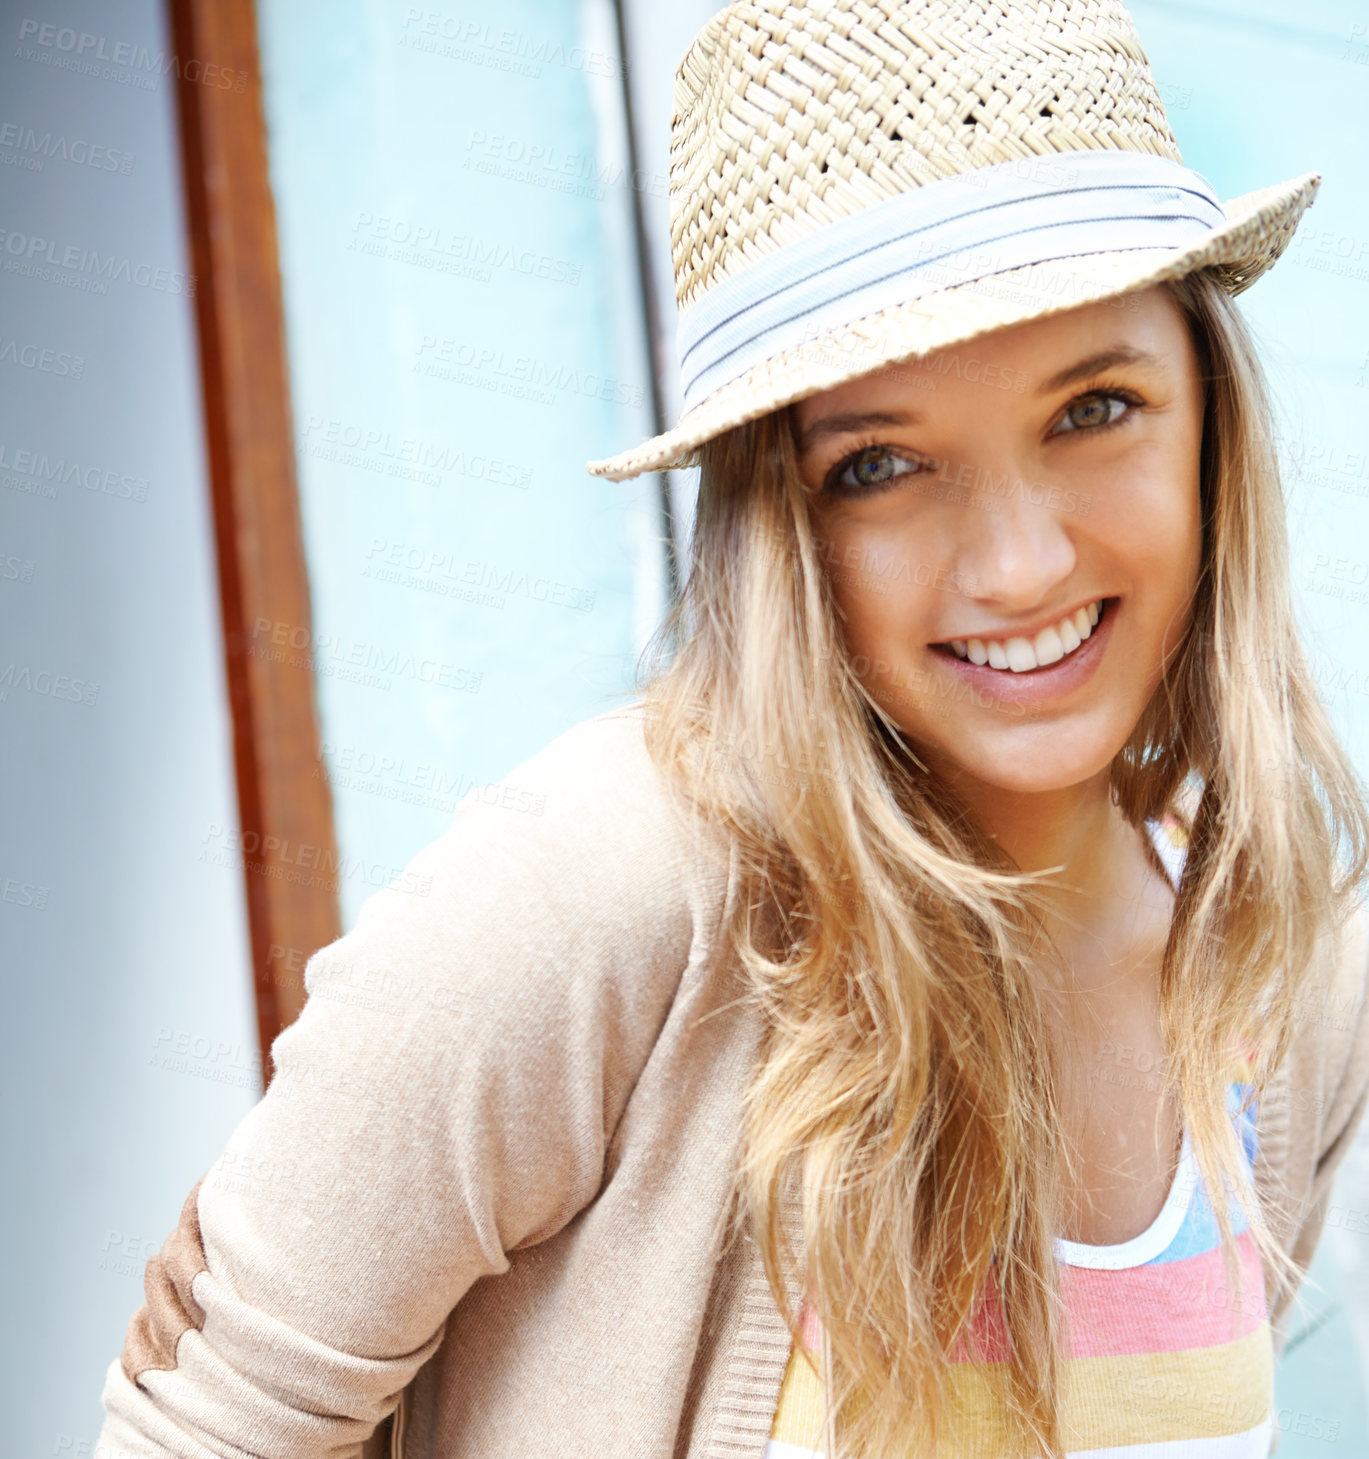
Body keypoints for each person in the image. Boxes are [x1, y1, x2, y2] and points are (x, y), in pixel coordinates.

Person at [99, 2, 1369, 1457]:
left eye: (1094, 407)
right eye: (879, 464)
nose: (1017, 562)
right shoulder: (596, 896)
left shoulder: (1284, 956)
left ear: (1210, 419)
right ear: (776, 518)